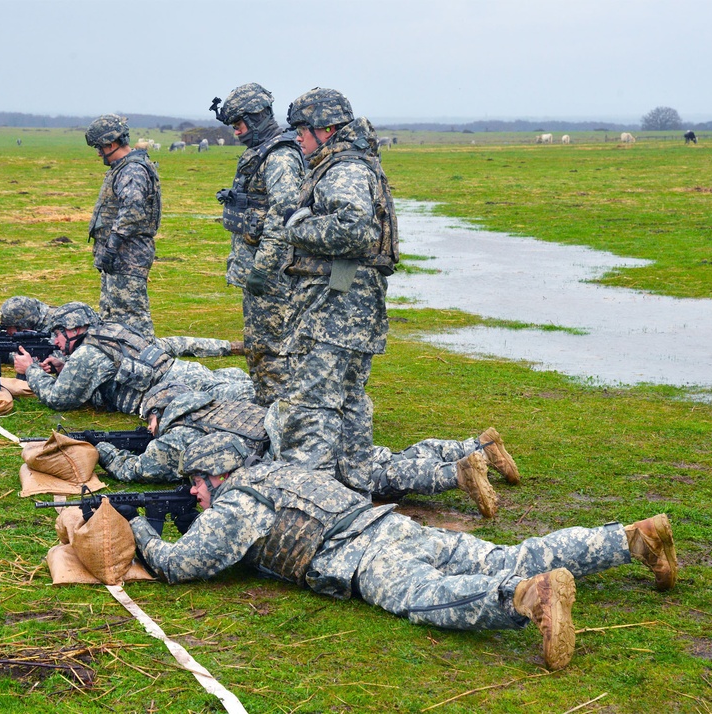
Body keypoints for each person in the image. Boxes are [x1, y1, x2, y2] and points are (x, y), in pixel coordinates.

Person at [127, 433, 678, 671]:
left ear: (214, 474)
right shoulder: (275, 469)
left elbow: (182, 566)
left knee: (430, 599)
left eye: (196, 483)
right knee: (505, 553)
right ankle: (630, 537)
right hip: (394, 526)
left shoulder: (234, 505)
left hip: (364, 559)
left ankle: (528, 600)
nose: (194, 494)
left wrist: (143, 530)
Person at [96, 385, 518, 518]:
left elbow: (139, 470)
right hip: (305, 428)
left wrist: (104, 452)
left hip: (301, 453)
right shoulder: (215, 400)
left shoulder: (181, 439)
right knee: (383, 458)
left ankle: (458, 473)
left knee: (376, 476)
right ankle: (475, 445)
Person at [279, 88, 399, 491]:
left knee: (312, 407)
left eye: (303, 129)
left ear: (325, 129)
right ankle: (351, 495)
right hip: (348, 307)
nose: (297, 137)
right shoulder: (349, 163)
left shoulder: (343, 169)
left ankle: (306, 503)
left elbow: (354, 230)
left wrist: (297, 226)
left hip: (334, 309)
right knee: (350, 406)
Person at [210, 83, 305, 406]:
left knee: (272, 348)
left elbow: (283, 217)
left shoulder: (279, 157)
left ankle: (281, 414)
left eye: (239, 125)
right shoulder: (264, 153)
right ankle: (268, 407)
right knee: (259, 346)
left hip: (272, 276)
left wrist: (262, 270)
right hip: (259, 271)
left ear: (258, 118)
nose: (236, 132)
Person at [12, 303, 254, 414]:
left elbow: (59, 400)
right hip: (185, 372)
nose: (56, 342)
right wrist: (65, 366)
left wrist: (31, 369)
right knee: (239, 383)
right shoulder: (110, 331)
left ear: (74, 329)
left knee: (253, 397)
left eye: (58, 333)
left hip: (178, 389)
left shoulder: (87, 353)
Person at [85, 114, 160, 338]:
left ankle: (151, 366)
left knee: (134, 322)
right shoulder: (123, 168)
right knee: (111, 319)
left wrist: (112, 245)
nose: (98, 152)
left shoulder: (132, 170)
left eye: (100, 147)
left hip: (127, 256)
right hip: (117, 257)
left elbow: (133, 209)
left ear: (111, 143)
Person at [0, 296, 244, 358]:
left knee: (177, 345)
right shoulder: (47, 323)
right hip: (122, 342)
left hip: (126, 346)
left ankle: (230, 347)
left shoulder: (62, 320)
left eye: (10, 328)